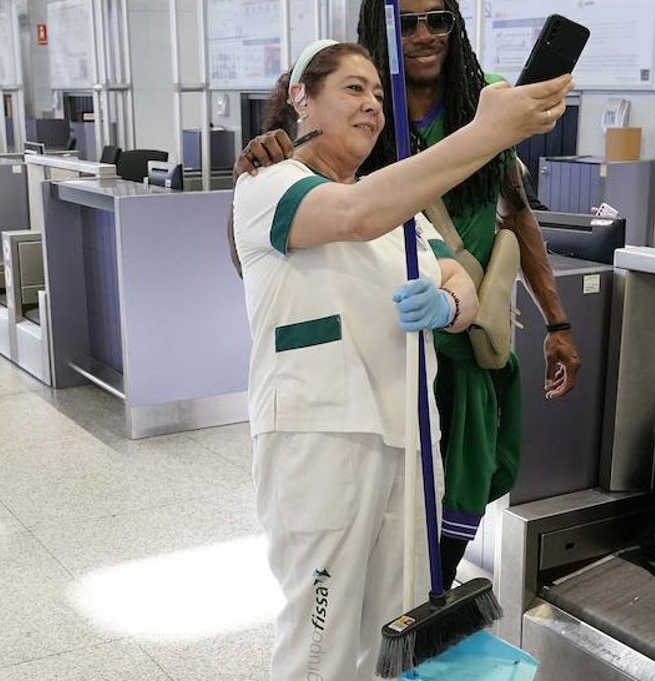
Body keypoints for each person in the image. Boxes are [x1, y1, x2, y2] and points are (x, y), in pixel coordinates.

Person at [233, 39, 572, 681]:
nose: (373, 105)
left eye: (379, 94)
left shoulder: (397, 215)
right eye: (354, 89)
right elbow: (353, 216)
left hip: (412, 439)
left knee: (399, 627)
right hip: (323, 435)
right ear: (303, 97)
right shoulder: (268, 185)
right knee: (321, 632)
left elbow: (462, 280)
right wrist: (486, 133)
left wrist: (449, 305)